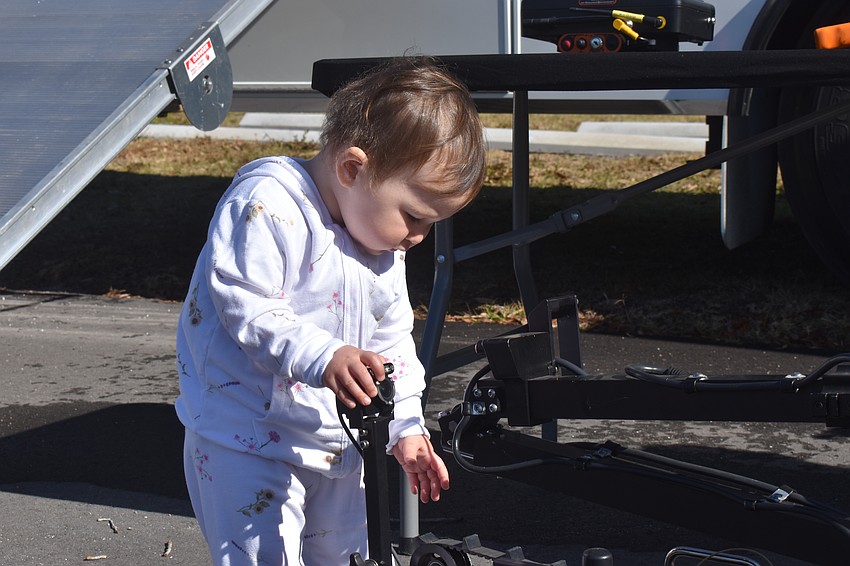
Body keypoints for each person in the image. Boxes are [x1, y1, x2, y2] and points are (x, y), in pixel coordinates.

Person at [174, 56, 487, 566]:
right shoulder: (266, 204)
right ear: (352, 169)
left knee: (349, 557)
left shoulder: (382, 241)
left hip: (338, 443)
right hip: (248, 436)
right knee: (263, 556)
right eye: (414, 215)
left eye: (432, 224)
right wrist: (324, 356)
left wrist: (406, 426)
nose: (418, 237)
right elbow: (245, 303)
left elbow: (392, 342)